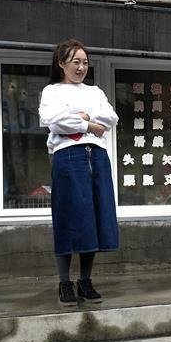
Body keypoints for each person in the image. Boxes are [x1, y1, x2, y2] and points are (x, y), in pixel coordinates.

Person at [39, 39, 119, 306]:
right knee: (68, 216)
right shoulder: (52, 92)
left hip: (97, 156)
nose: (81, 67)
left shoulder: (95, 91)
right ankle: (64, 282)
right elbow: (54, 121)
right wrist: (89, 123)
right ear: (61, 63)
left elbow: (110, 117)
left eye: (85, 62)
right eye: (76, 62)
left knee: (92, 217)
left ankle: (85, 280)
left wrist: (79, 118)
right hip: (68, 156)